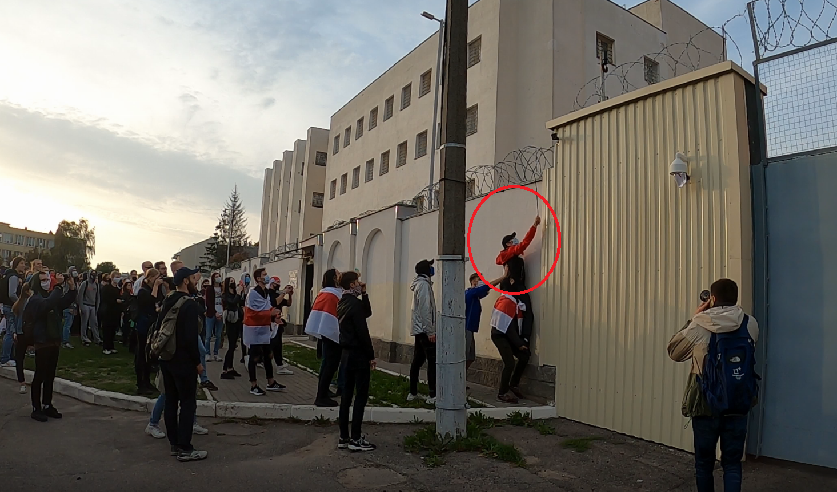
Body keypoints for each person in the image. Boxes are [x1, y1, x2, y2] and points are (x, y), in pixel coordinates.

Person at [667, 279, 760, 492]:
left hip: (705, 403)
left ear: (713, 298)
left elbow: (674, 352)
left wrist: (694, 318)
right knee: (733, 464)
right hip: (738, 400)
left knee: (704, 464)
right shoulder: (750, 323)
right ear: (735, 298)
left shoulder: (700, 325)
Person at [157, 267, 208, 462]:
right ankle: (185, 448)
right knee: (187, 403)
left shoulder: (168, 300)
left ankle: (174, 444)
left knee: (171, 401)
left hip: (166, 358)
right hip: (183, 361)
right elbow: (190, 338)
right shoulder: (189, 304)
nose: (195, 281)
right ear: (186, 281)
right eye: (193, 278)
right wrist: (197, 363)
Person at [22, 270, 76, 421]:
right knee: (40, 374)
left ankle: (47, 404)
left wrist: (72, 288)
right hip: (42, 341)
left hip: (53, 340)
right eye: (43, 280)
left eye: (47, 279)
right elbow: (47, 305)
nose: (46, 282)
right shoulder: (35, 299)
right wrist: (58, 287)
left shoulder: (50, 296)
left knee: (50, 374)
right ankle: (36, 408)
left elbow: (63, 303)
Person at [336, 271, 376, 451]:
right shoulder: (355, 304)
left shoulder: (343, 302)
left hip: (345, 355)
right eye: (357, 282)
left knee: (346, 396)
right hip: (358, 355)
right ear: (352, 284)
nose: (360, 284)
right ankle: (356, 438)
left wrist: (364, 294)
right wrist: (371, 355)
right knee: (360, 396)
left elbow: (366, 312)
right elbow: (363, 332)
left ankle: (344, 436)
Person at [490, 256, 531, 404]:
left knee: (524, 356)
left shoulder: (512, 300)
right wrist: (519, 343)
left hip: (507, 335)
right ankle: (502, 393)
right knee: (509, 363)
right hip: (500, 336)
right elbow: (508, 328)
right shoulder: (507, 302)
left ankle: (514, 384)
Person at [242, 268, 284, 395]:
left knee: (267, 356)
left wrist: (274, 316)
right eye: (264, 275)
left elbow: (267, 307)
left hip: (264, 327)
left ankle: (271, 382)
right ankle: (253, 385)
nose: (267, 276)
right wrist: (271, 313)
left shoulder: (266, 292)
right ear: (258, 278)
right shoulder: (253, 293)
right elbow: (254, 311)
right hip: (254, 328)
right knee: (254, 357)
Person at [309, 269, 344, 407]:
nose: (341, 275)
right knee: (330, 365)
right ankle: (321, 396)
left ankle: (323, 392)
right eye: (338, 274)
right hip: (331, 333)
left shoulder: (325, 292)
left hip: (326, 333)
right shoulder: (332, 294)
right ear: (334, 279)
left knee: (328, 365)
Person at [408, 259, 437, 404]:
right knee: (432, 361)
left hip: (419, 329)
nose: (432, 269)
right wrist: (430, 331)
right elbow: (426, 309)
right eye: (430, 266)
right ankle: (433, 395)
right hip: (425, 330)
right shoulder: (424, 285)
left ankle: (412, 392)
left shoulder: (420, 284)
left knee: (418, 360)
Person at [465, 273, 504, 373]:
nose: (482, 282)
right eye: (479, 280)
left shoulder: (474, 296)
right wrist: (503, 277)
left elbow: (485, 291)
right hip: (466, 329)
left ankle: (462, 376)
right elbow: (488, 286)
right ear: (473, 281)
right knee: (465, 356)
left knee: (470, 357)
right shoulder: (471, 293)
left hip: (470, 329)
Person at [135, 267, 163, 395]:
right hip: (143, 325)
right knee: (142, 354)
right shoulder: (143, 291)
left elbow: (158, 300)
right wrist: (156, 287)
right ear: (150, 278)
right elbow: (150, 302)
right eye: (156, 278)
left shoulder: (152, 290)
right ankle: (140, 383)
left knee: (148, 356)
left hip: (151, 325)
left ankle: (147, 381)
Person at [495, 216, 541, 286]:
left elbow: (498, 260)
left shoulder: (506, 255)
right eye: (512, 239)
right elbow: (525, 242)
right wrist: (534, 226)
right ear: (508, 244)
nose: (515, 240)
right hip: (513, 285)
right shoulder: (511, 251)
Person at [0, 257, 26, 367]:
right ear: (16, 265)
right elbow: (12, 294)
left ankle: (9, 357)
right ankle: (5, 359)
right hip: (11, 307)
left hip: (7, 306)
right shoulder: (13, 277)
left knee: (11, 332)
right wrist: (20, 303)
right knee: (10, 333)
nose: (24, 265)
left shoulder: (7, 275)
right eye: (22, 263)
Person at [220, 277, 244, 380]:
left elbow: (241, 302)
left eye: (234, 281)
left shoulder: (235, 293)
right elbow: (233, 303)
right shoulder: (225, 295)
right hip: (231, 320)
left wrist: (241, 292)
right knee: (231, 346)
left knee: (234, 345)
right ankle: (225, 369)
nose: (233, 283)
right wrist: (238, 294)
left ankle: (230, 367)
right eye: (231, 281)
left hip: (238, 319)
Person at [269, 279, 294, 375]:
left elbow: (288, 303)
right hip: (270, 322)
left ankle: (279, 365)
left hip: (278, 322)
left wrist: (290, 295)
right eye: (277, 283)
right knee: (272, 344)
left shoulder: (278, 293)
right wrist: (284, 292)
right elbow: (276, 302)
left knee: (277, 344)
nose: (278, 285)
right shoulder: (269, 294)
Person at [11, 284, 33, 393]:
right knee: (20, 358)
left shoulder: (18, 304)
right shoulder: (26, 303)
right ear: (27, 291)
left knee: (19, 358)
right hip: (26, 333)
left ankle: (22, 382)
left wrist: (14, 331)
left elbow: (12, 320)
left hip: (20, 333)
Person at [76, 270, 102, 346]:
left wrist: (97, 307)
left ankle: (97, 339)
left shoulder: (96, 285)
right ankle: (84, 338)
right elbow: (80, 295)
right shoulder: (85, 283)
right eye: (92, 274)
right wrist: (81, 307)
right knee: (84, 323)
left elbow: (98, 297)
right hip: (85, 305)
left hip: (93, 306)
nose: (94, 276)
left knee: (94, 323)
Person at [203, 272, 224, 362]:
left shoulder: (222, 288)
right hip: (211, 314)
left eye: (219, 276)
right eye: (216, 277)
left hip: (221, 314)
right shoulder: (210, 289)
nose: (218, 278)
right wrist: (215, 312)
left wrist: (222, 312)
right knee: (208, 336)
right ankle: (207, 353)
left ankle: (216, 353)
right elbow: (208, 302)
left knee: (218, 335)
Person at [100, 273, 122, 355]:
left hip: (115, 312)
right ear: (112, 278)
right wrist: (115, 301)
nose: (118, 279)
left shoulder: (117, 289)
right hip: (107, 311)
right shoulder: (106, 288)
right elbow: (104, 299)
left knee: (113, 330)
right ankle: (106, 347)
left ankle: (111, 346)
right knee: (107, 330)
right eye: (116, 277)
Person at [61, 267, 79, 349]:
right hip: (68, 307)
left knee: (68, 325)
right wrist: (70, 307)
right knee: (67, 325)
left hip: (72, 306)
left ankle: (65, 340)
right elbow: (66, 295)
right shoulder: (67, 283)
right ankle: (65, 341)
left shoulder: (74, 282)